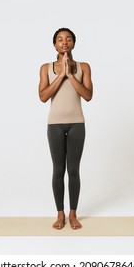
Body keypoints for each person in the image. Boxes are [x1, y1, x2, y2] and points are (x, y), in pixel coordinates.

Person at [38, 28, 93, 230]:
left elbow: (87, 95)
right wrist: (60, 75)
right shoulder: (45, 68)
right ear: (54, 45)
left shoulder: (84, 67)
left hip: (77, 123)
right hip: (55, 125)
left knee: (74, 170)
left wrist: (70, 75)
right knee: (58, 170)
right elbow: (43, 97)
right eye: (60, 39)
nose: (64, 42)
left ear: (73, 44)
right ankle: (60, 214)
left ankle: (73, 214)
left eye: (68, 39)